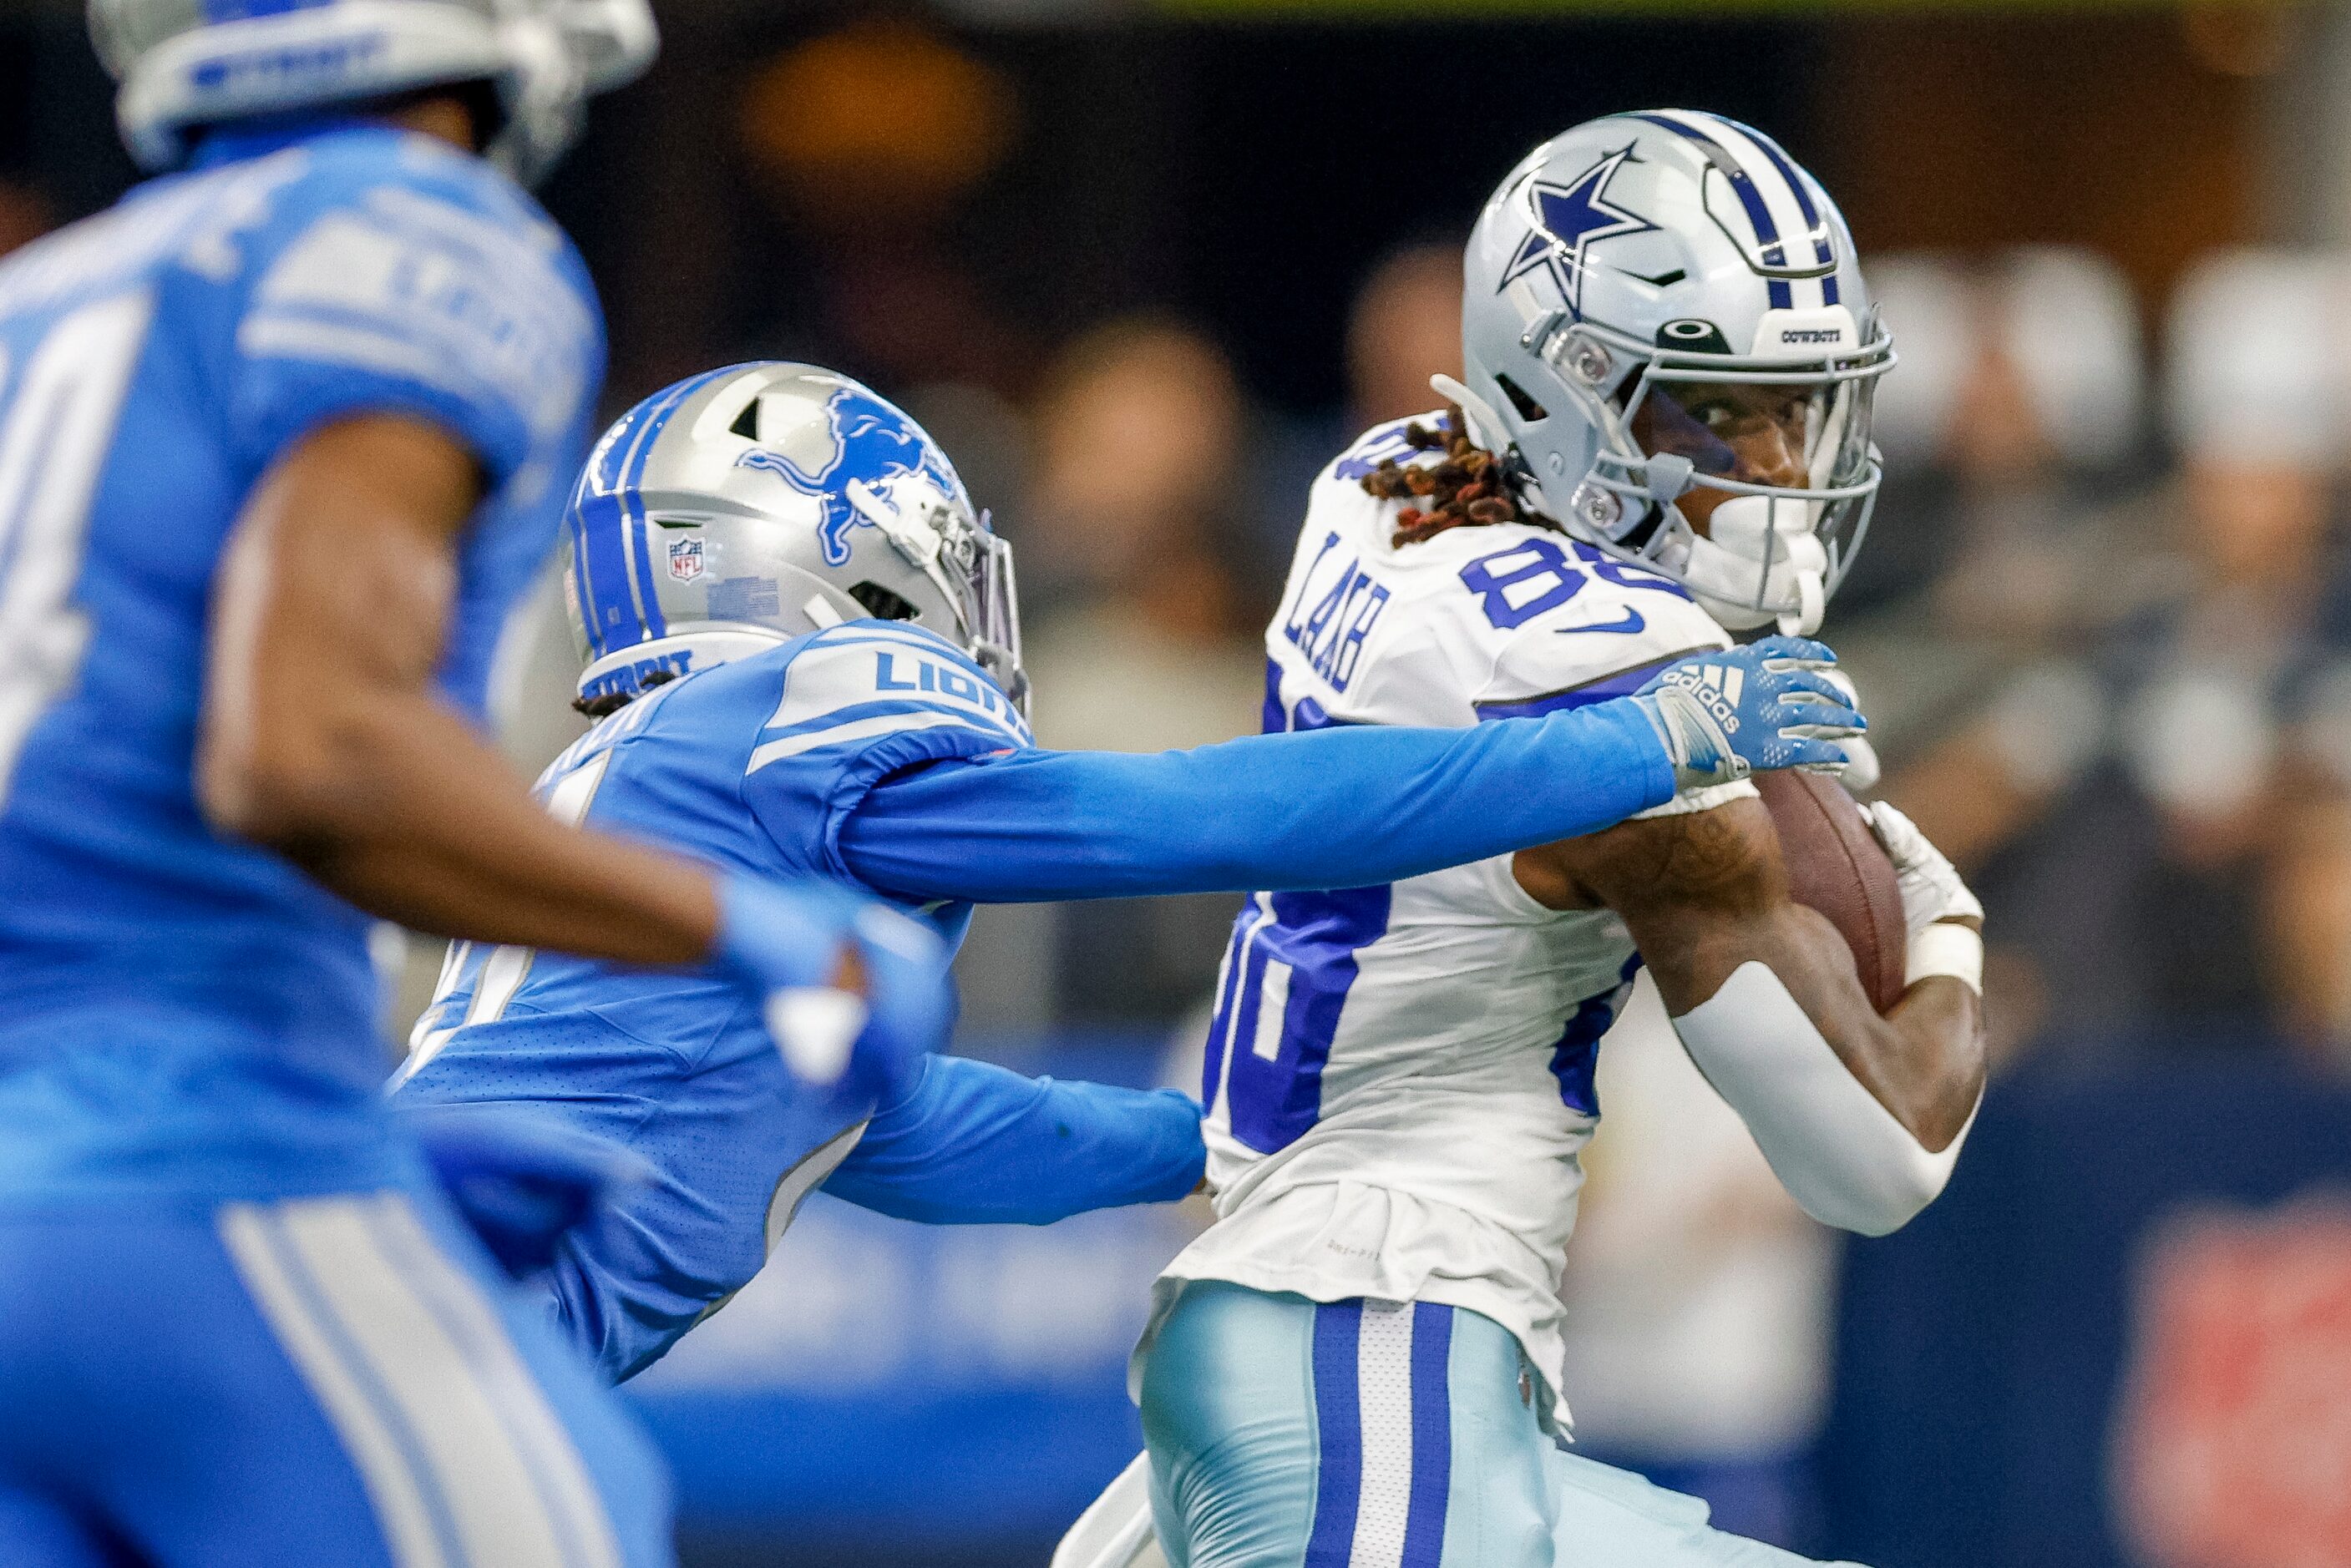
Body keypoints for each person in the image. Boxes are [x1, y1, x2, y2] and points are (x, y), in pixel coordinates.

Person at [391, 360, 1870, 1386]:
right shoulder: (784, 722)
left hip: (399, 1280)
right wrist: (1636, 742)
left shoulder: (666, 778)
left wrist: (1224, 1137)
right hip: (428, 1321)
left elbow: (921, 1131)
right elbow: (1186, 814)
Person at [0, 4, 952, 1564]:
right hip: (185, 1165)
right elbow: (311, 751)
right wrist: (759, 931)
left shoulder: (41, 299)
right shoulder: (413, 226)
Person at [1065, 110, 1991, 1568]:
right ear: (1572, 394)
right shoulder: (1627, 694)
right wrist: (1938, 911)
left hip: (1318, 1331)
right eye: (1718, 411)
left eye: (1802, 410)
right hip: (1375, 1332)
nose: (1779, 463)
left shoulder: (1383, 481)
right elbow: (1879, 1157)